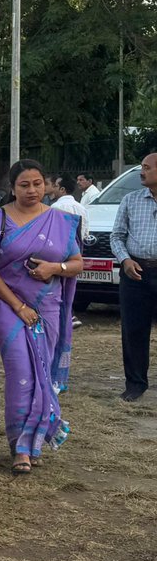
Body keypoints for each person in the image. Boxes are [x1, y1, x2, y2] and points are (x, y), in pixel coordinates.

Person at [0, 160, 82, 474]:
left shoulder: (60, 221)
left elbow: (77, 262)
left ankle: (35, 441)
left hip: (47, 308)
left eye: (38, 183)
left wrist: (54, 268)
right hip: (7, 306)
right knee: (22, 370)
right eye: (24, 185)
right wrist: (18, 306)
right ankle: (20, 448)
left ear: (45, 185)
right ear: (12, 187)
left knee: (41, 373)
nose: (32, 190)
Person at [110, 152, 157, 402]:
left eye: (147, 168)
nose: (142, 172)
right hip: (135, 273)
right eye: (142, 167)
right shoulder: (131, 200)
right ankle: (135, 384)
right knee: (133, 331)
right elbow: (117, 236)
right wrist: (125, 260)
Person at [48, 174, 89, 243]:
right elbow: (85, 232)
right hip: (78, 246)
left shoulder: (56, 207)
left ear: (62, 189)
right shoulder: (82, 208)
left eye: (55, 186)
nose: (53, 189)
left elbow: (52, 232)